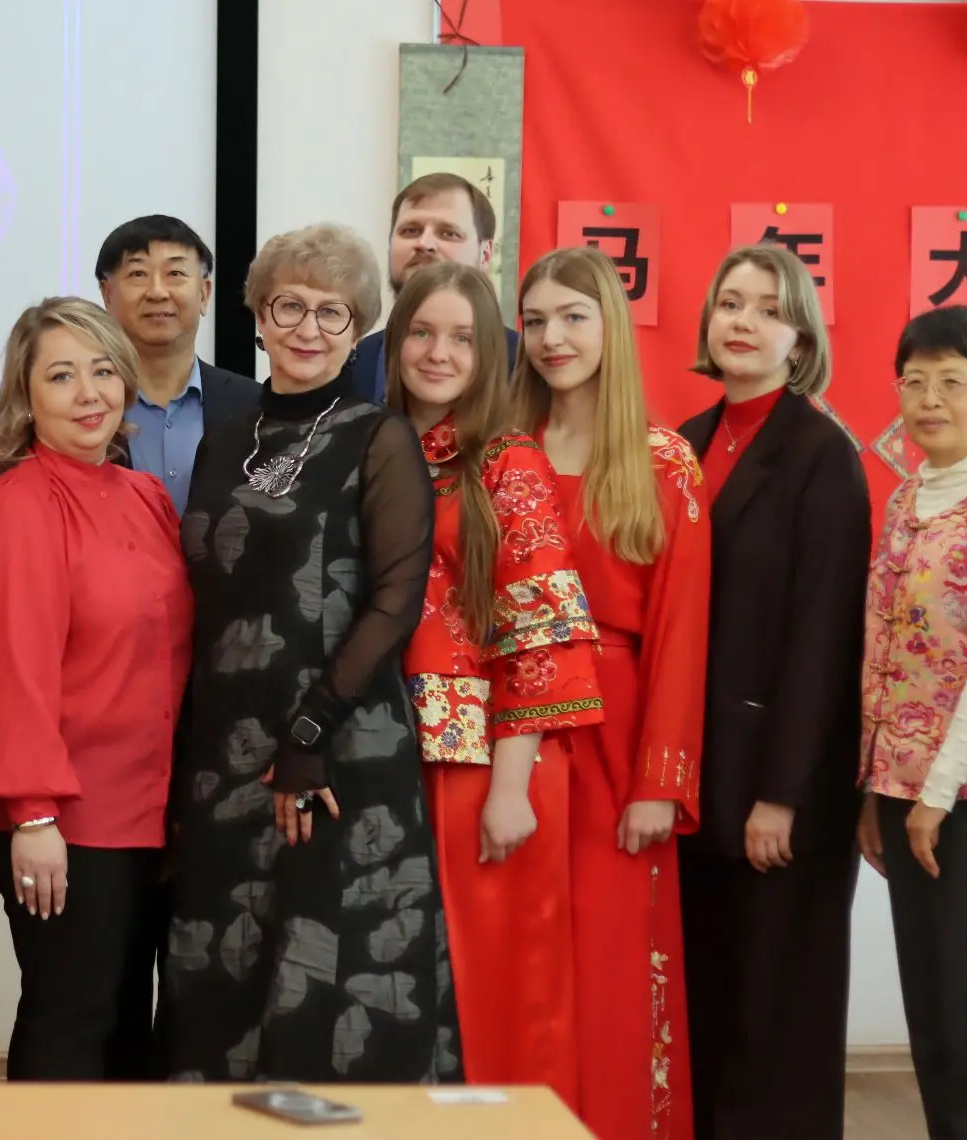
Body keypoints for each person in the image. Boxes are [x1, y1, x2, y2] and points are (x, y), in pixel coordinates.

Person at [164, 223, 457, 1084]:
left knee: (332, 977)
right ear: (258, 315)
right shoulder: (226, 435)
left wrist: (308, 732)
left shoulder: (378, 437)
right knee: (223, 973)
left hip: (339, 743)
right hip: (224, 754)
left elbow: (395, 601)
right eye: (289, 305)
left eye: (334, 313)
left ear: (357, 330)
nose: (308, 328)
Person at [0, 297, 191, 1081]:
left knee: (125, 1026)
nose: (89, 393)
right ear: (25, 395)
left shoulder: (144, 495)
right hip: (62, 813)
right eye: (61, 376)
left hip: (142, 809)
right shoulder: (19, 504)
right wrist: (33, 814)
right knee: (72, 1020)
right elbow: (8, 668)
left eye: (102, 371)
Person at [390, 259, 602, 1099]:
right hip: (392, 757)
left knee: (499, 994)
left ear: (489, 354)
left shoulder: (507, 459)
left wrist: (511, 788)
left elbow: (539, 632)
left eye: (462, 338)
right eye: (421, 332)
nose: (438, 353)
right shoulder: (375, 448)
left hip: (486, 766)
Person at [515, 246, 710, 1140]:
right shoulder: (504, 452)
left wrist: (659, 782)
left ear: (611, 329)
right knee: (521, 956)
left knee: (613, 959)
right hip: (512, 734)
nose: (552, 338)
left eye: (573, 317)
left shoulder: (664, 463)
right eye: (536, 320)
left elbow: (681, 635)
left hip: (618, 735)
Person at [676, 245, 868, 1140]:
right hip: (692, 779)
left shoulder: (823, 454)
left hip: (775, 790)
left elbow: (823, 638)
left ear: (801, 339)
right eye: (729, 303)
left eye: (767, 308)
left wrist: (781, 795)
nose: (742, 321)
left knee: (771, 1017)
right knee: (705, 1006)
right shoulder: (686, 440)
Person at [859, 305, 967, 1140]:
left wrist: (936, 793)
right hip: (905, 799)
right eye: (914, 381)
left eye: (952, 382)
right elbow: (885, 653)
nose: (929, 399)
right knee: (936, 1018)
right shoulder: (906, 500)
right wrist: (876, 790)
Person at [93, 214, 259, 513]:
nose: (157, 292)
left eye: (175, 273)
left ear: (204, 293)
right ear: (107, 295)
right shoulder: (84, 405)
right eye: (138, 274)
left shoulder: (255, 406)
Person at [340, 172, 518, 404]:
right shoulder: (356, 362)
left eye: (448, 233)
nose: (424, 244)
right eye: (411, 230)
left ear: (485, 254)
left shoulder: (523, 365)